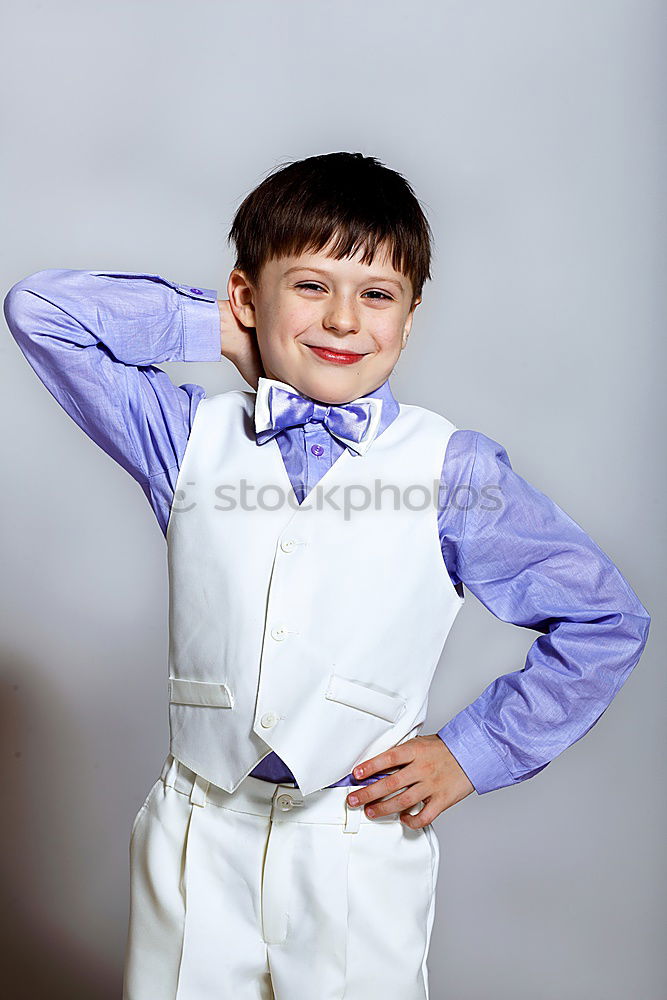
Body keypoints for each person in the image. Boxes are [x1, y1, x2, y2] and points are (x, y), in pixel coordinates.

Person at [3, 151, 650, 1000]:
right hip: (197, 830)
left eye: (376, 295)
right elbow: (42, 312)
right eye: (309, 287)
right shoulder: (185, 440)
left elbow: (603, 619)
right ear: (247, 295)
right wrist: (225, 332)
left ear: (409, 318)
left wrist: (471, 752)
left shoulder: (450, 470)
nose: (343, 319)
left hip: (354, 844)